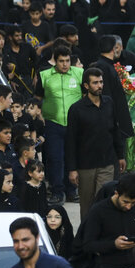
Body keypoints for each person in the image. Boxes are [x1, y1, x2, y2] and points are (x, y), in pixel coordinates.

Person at [66, 67, 126, 217]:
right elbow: (70, 141)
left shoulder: (109, 103)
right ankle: (86, 237)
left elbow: (115, 131)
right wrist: (72, 169)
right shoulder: (76, 109)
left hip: (107, 163)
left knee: (105, 202)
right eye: (95, 83)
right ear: (86, 86)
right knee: (87, 206)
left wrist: (120, 156)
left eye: (101, 82)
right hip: (86, 166)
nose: (99, 86)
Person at [37, 46, 84, 204]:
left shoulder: (79, 74)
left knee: (72, 157)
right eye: (61, 61)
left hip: (75, 125)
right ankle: (57, 192)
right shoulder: (44, 75)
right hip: (53, 123)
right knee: (55, 158)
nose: (65, 64)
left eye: (67, 61)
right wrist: (40, 118)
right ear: (54, 61)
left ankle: (72, 191)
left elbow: (85, 96)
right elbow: (37, 98)